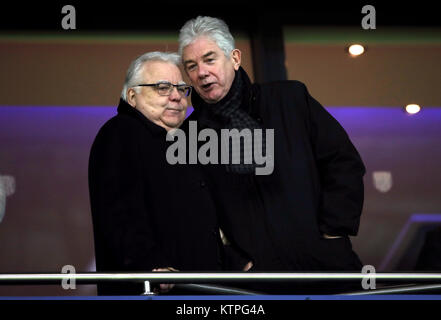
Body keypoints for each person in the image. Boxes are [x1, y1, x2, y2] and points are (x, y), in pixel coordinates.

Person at [178, 16, 366, 293]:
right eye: (191, 66)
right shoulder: (190, 136)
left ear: (235, 58)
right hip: (255, 283)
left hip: (328, 268)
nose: (201, 72)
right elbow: (195, 214)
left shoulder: (290, 99)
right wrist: (237, 263)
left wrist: (333, 231)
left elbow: (343, 161)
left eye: (209, 59)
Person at [88, 52, 223, 295]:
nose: (176, 97)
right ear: (132, 96)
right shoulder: (120, 132)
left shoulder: (183, 144)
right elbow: (118, 210)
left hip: (203, 291)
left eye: (182, 89)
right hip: (153, 291)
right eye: (162, 87)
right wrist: (150, 264)